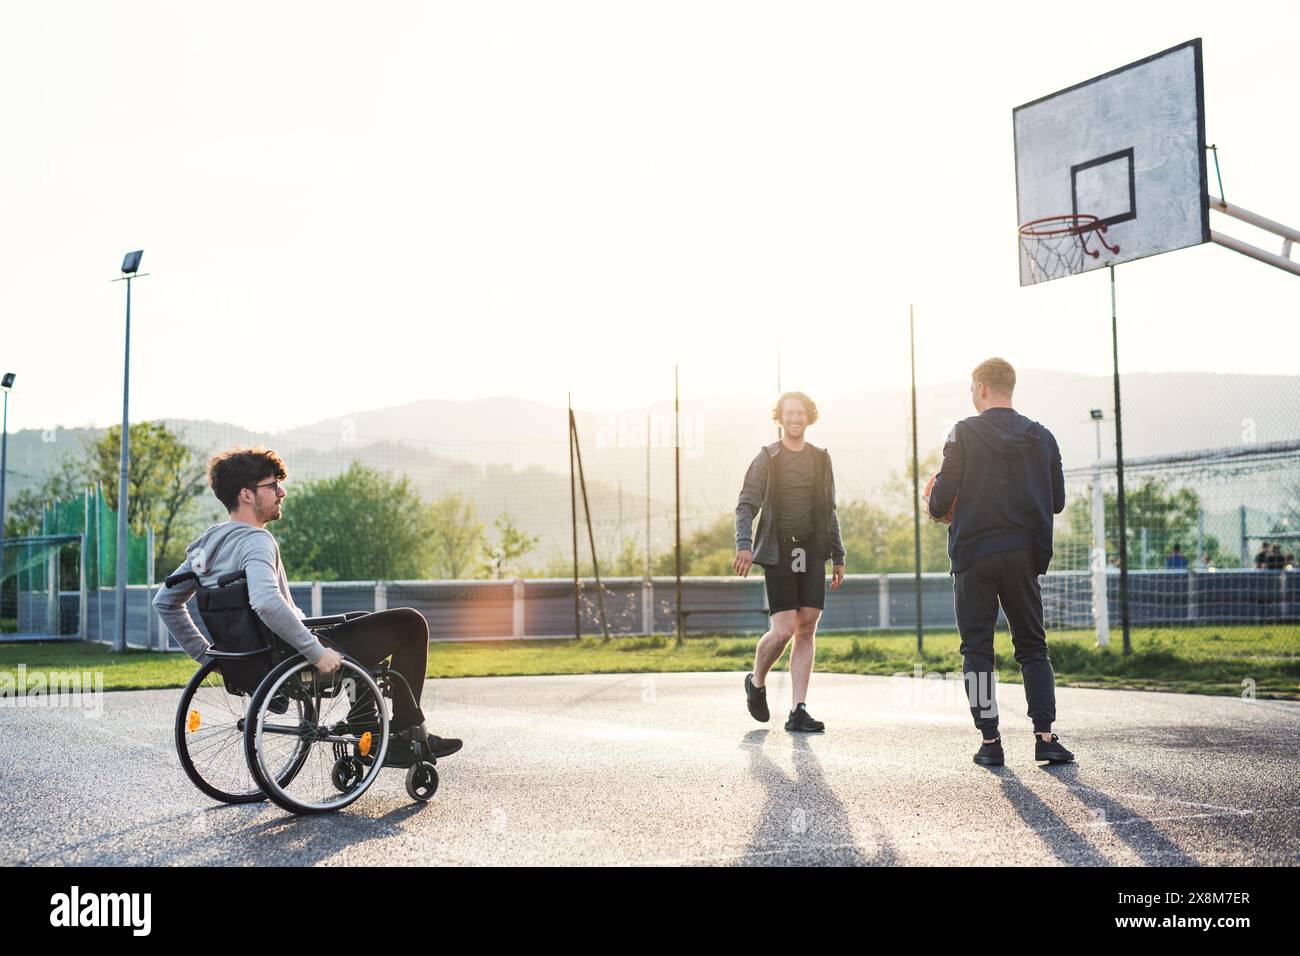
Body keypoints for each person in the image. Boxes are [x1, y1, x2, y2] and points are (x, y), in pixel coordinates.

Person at [154, 446, 461, 762]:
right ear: (246, 494)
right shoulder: (256, 541)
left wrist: (209, 657)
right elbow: (266, 602)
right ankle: (405, 730)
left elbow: (165, 601)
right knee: (411, 624)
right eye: (272, 486)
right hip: (292, 655)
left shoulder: (205, 548)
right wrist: (315, 651)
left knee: (361, 619)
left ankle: (366, 726)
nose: (281, 492)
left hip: (256, 658)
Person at [927, 358, 1073, 766]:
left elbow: (942, 499)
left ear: (982, 387)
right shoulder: (1042, 436)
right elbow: (1056, 501)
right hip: (1023, 554)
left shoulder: (963, 433)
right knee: (1032, 645)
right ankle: (1045, 736)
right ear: (1011, 387)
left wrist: (934, 501)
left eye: (972, 389)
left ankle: (990, 743)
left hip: (974, 553)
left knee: (977, 649)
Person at [734, 391, 845, 733]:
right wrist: (744, 545)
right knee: (783, 630)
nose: (795, 418)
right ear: (780, 418)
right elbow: (746, 504)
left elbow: (829, 509)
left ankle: (798, 710)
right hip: (779, 552)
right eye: (789, 413)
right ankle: (756, 680)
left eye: (801, 413)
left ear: (809, 416)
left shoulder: (820, 458)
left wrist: (837, 554)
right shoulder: (768, 457)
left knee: (807, 626)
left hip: (812, 551)